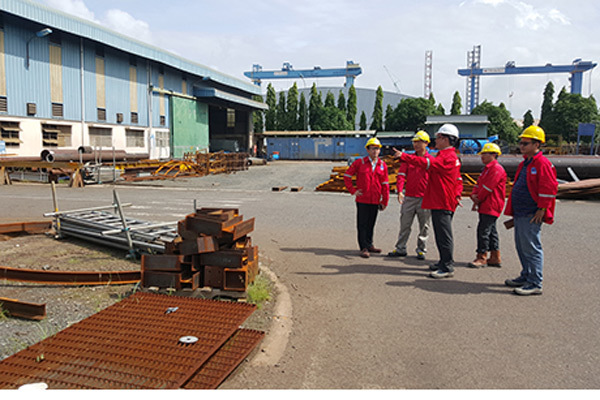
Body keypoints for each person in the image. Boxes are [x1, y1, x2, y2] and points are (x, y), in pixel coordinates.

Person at [393, 124, 463, 278]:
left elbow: (427, 164)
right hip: (438, 199)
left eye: (438, 137)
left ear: (445, 139)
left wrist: (404, 156)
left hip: (442, 200)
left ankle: (447, 266)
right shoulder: (445, 154)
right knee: (439, 233)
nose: (435, 140)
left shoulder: (447, 157)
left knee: (444, 234)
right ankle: (443, 261)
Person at [504, 125, 557, 295]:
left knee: (531, 247)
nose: (522, 146)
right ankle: (526, 275)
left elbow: (549, 188)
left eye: (525, 143)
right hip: (521, 212)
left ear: (537, 144)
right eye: (521, 143)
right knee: (522, 247)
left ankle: (535, 282)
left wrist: (542, 208)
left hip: (531, 213)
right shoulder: (527, 163)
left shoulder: (542, 163)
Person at [388, 130, 432, 260]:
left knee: (424, 226)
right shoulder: (408, 160)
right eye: (415, 142)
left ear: (426, 143)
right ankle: (401, 248)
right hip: (410, 197)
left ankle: (421, 249)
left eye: (419, 142)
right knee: (405, 224)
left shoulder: (431, 160)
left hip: (425, 198)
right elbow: (401, 175)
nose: (416, 145)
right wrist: (400, 190)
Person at [344, 137, 390, 258]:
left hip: (375, 200)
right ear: (368, 150)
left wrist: (385, 200)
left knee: (371, 223)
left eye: (377, 149)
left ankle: (370, 245)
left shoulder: (382, 165)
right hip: (362, 200)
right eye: (373, 149)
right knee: (362, 224)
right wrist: (353, 190)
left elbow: (385, 184)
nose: (375, 151)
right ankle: (363, 247)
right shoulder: (360, 163)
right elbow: (347, 176)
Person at [468, 142, 507, 268]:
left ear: (494, 155)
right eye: (482, 154)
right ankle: (495, 257)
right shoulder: (487, 169)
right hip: (487, 204)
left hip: (491, 205)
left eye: (485, 154)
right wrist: (474, 195)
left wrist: (477, 198)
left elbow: (487, 187)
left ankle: (482, 257)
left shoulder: (496, 169)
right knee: (491, 231)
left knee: (483, 231)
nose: (482, 156)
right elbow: (478, 184)